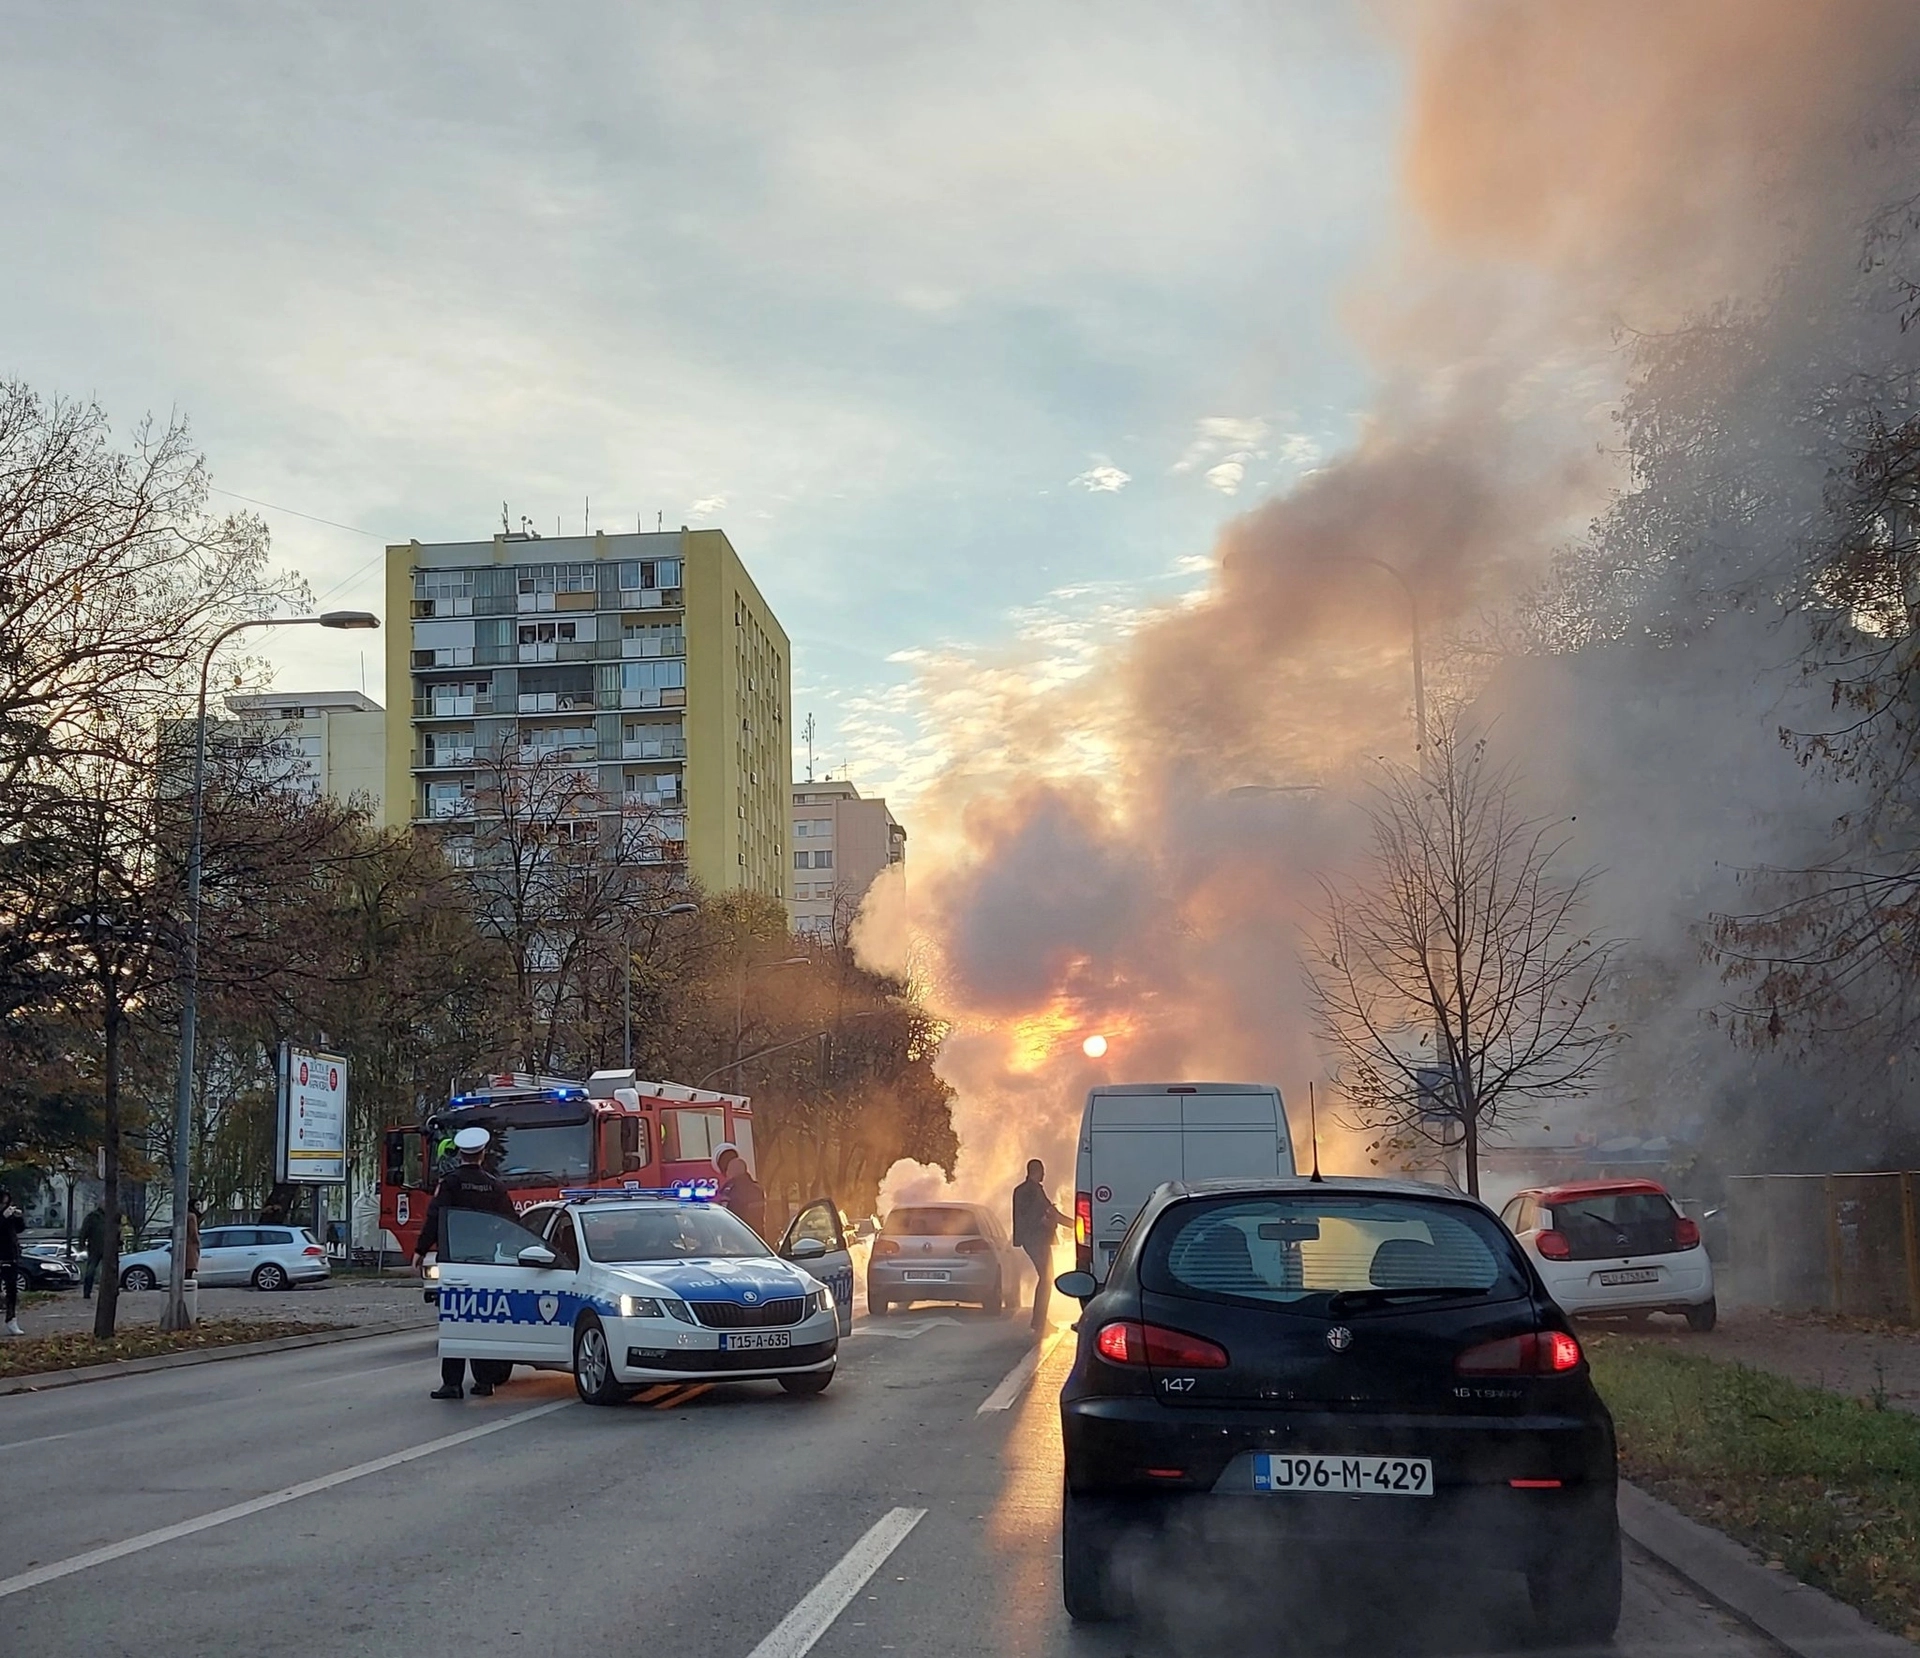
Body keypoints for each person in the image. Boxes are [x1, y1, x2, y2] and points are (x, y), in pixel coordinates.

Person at [412, 1125, 517, 1400]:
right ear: (482, 1154)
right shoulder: (494, 1185)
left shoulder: (450, 1183)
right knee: (482, 1320)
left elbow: (435, 1217)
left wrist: (420, 1250)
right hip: (484, 1263)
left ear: (460, 1154)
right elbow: (510, 1224)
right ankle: (484, 1381)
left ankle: (452, 1384)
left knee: (454, 1321)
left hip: (455, 1261)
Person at [1012, 1159, 1072, 1335]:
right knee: (1046, 1278)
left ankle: (1040, 1321)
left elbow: (1049, 1213)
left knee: (1046, 1278)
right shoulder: (1031, 1191)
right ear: (1036, 1171)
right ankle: (1038, 1322)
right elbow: (1047, 1214)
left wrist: (1074, 1224)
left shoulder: (1026, 1190)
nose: (1045, 1175)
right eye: (1043, 1171)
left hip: (1033, 1240)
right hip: (1036, 1239)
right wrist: (1075, 1224)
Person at [713, 1144, 765, 1239]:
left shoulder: (728, 1192)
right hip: (758, 1241)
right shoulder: (757, 1189)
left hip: (737, 1241)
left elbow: (723, 1220)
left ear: (729, 1171)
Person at [1, 1186, 24, 1336]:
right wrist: (3, 1217)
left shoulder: (9, 1216)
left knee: (11, 1290)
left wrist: (18, 1217)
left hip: (10, 1255)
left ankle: (11, 1318)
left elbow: (20, 1229)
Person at [78, 1199, 107, 1299]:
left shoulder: (111, 1216)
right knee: (91, 1271)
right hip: (95, 1248)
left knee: (108, 1272)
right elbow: (84, 1231)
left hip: (108, 1249)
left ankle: (107, 1292)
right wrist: (81, 1244)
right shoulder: (92, 1217)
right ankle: (87, 1292)